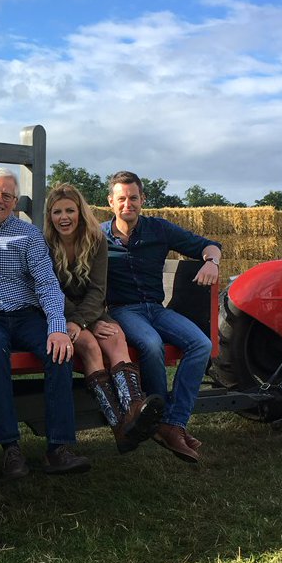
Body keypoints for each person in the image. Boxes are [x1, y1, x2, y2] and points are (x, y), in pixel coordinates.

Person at [0, 168, 91, 479]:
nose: (0, 199)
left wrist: (57, 326)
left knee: (59, 353)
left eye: (7, 195)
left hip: (25, 313)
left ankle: (58, 448)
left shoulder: (30, 235)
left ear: (16, 201)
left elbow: (47, 282)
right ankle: (10, 448)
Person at [102, 170, 221, 463]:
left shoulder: (159, 229)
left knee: (201, 344)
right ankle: (159, 418)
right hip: (122, 310)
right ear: (110, 202)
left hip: (156, 307)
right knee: (152, 344)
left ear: (142, 199)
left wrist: (212, 262)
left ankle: (172, 422)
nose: (127, 204)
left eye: (133, 198)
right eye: (121, 199)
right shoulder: (97, 236)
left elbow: (207, 245)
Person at [43, 184, 163, 453]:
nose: (64, 217)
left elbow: (99, 289)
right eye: (57, 212)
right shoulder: (45, 244)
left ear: (80, 212)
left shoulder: (96, 240)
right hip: (58, 313)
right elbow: (52, 291)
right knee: (89, 346)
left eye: (70, 210)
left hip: (91, 311)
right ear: (49, 216)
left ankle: (133, 411)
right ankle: (119, 426)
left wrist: (87, 319)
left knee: (116, 336)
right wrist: (76, 322)